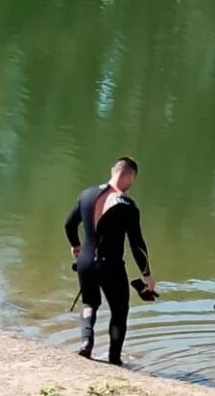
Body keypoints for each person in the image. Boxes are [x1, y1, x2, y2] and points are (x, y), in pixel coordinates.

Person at [64, 157, 155, 366]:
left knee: (89, 303)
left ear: (113, 171)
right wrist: (147, 274)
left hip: (85, 262)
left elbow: (69, 224)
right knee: (119, 310)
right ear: (130, 176)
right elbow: (137, 244)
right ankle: (114, 359)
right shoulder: (127, 205)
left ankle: (86, 345)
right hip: (111, 265)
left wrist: (75, 246)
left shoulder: (87, 194)